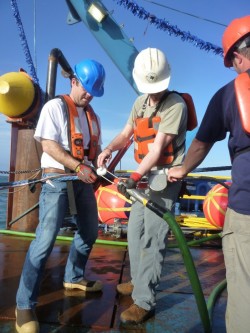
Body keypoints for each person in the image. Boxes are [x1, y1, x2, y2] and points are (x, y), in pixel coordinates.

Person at [168, 16, 250, 333]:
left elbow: (201, 144)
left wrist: (182, 169)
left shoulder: (228, 94)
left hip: (246, 208)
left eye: (231, 62)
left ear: (236, 56)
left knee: (243, 292)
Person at [97, 47, 189, 324]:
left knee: (153, 237)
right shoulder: (139, 103)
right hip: (142, 180)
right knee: (135, 233)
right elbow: (127, 134)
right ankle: (138, 282)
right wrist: (108, 149)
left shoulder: (176, 105)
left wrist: (133, 178)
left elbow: (157, 148)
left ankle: (144, 300)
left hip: (162, 180)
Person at [15, 59, 105, 333]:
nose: (89, 96)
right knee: (45, 241)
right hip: (56, 180)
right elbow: (48, 144)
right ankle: (24, 304)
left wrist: (99, 164)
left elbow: (93, 149)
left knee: (90, 231)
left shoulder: (93, 117)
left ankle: (74, 277)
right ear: (74, 81)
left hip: (82, 180)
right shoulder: (54, 107)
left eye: (94, 92)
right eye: (86, 89)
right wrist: (77, 167)